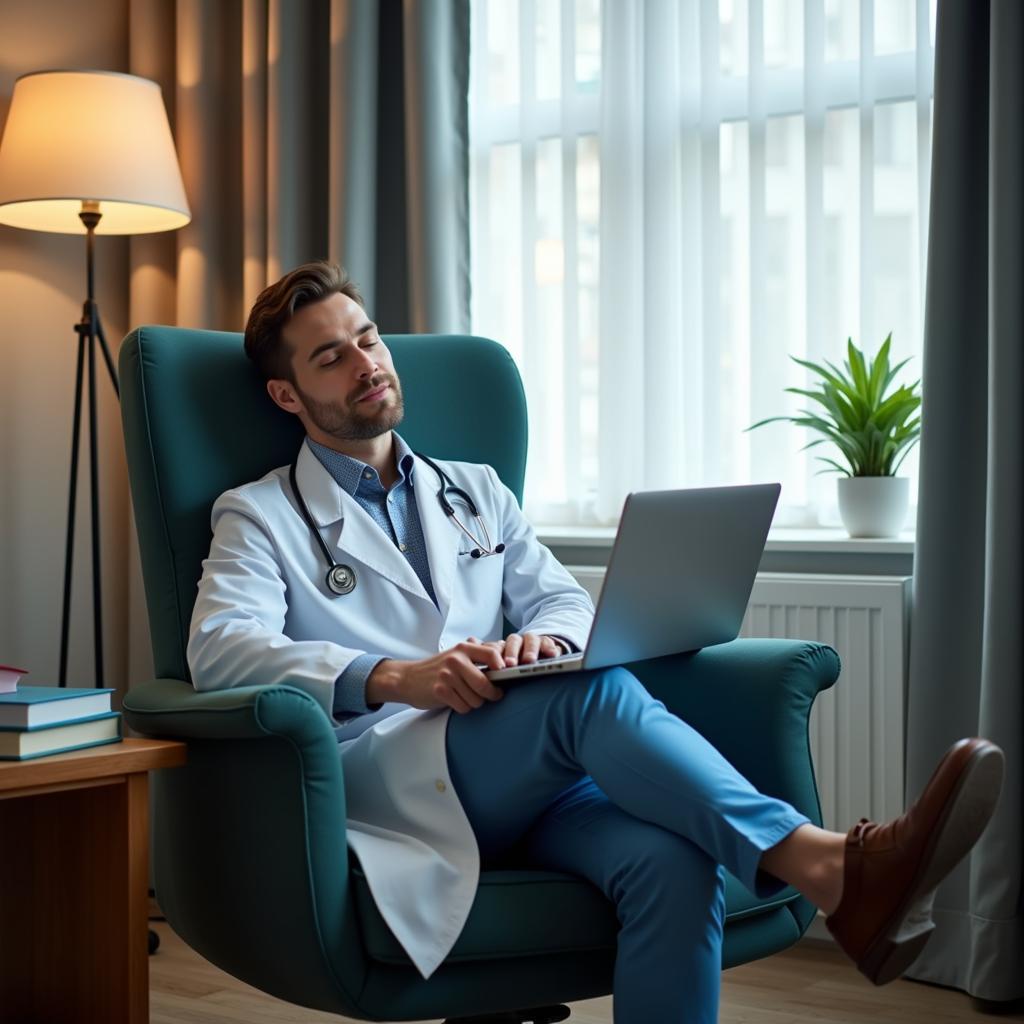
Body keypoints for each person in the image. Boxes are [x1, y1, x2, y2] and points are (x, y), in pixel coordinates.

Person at [188, 260, 1004, 1023]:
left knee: (672, 863)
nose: (367, 363)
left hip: (524, 772)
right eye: (330, 357)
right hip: (394, 772)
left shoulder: (473, 489)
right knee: (590, 693)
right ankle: (831, 867)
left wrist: (537, 645)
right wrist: (398, 676)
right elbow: (221, 648)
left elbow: (562, 604)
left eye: (367, 337)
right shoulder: (258, 514)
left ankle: (835, 874)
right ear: (287, 396)